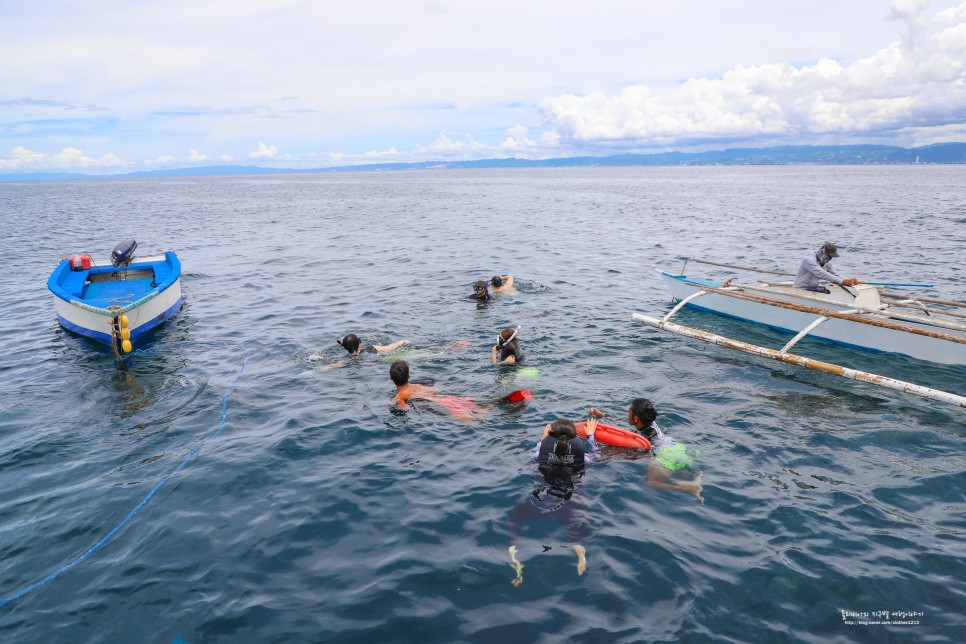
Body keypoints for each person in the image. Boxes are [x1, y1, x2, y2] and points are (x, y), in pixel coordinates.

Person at [507, 418, 602, 586]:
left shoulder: (539, 455)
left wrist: (543, 438)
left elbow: (534, 452)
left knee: (515, 516)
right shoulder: (584, 458)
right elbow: (597, 455)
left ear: (551, 437)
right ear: (573, 440)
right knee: (574, 532)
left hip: (542, 499)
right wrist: (591, 436)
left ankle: (514, 556)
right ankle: (580, 554)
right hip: (572, 498)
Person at [589, 398, 703, 503]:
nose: (627, 414)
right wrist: (603, 415)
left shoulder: (643, 438)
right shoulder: (650, 423)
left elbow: (637, 452)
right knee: (680, 472)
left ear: (636, 418)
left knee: (653, 482)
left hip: (665, 455)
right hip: (677, 448)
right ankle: (693, 479)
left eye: (629, 411)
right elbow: (624, 424)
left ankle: (689, 488)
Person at [389, 360, 489, 421]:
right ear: (408, 376)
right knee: (466, 404)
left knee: (471, 419)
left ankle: (481, 415)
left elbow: (405, 408)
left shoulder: (400, 395)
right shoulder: (416, 385)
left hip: (437, 404)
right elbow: (436, 390)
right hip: (444, 398)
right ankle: (484, 408)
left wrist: (391, 404)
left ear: (391, 378)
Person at [793, 242, 860, 293]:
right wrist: (842, 281)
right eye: (830, 256)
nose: (830, 258)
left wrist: (849, 280)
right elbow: (822, 273)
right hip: (801, 289)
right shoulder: (808, 260)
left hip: (813, 287)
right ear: (823, 253)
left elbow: (835, 273)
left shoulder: (827, 261)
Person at [338, 333, 409, 355]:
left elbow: (332, 366)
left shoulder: (347, 360)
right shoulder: (371, 348)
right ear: (359, 343)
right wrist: (403, 341)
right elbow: (390, 347)